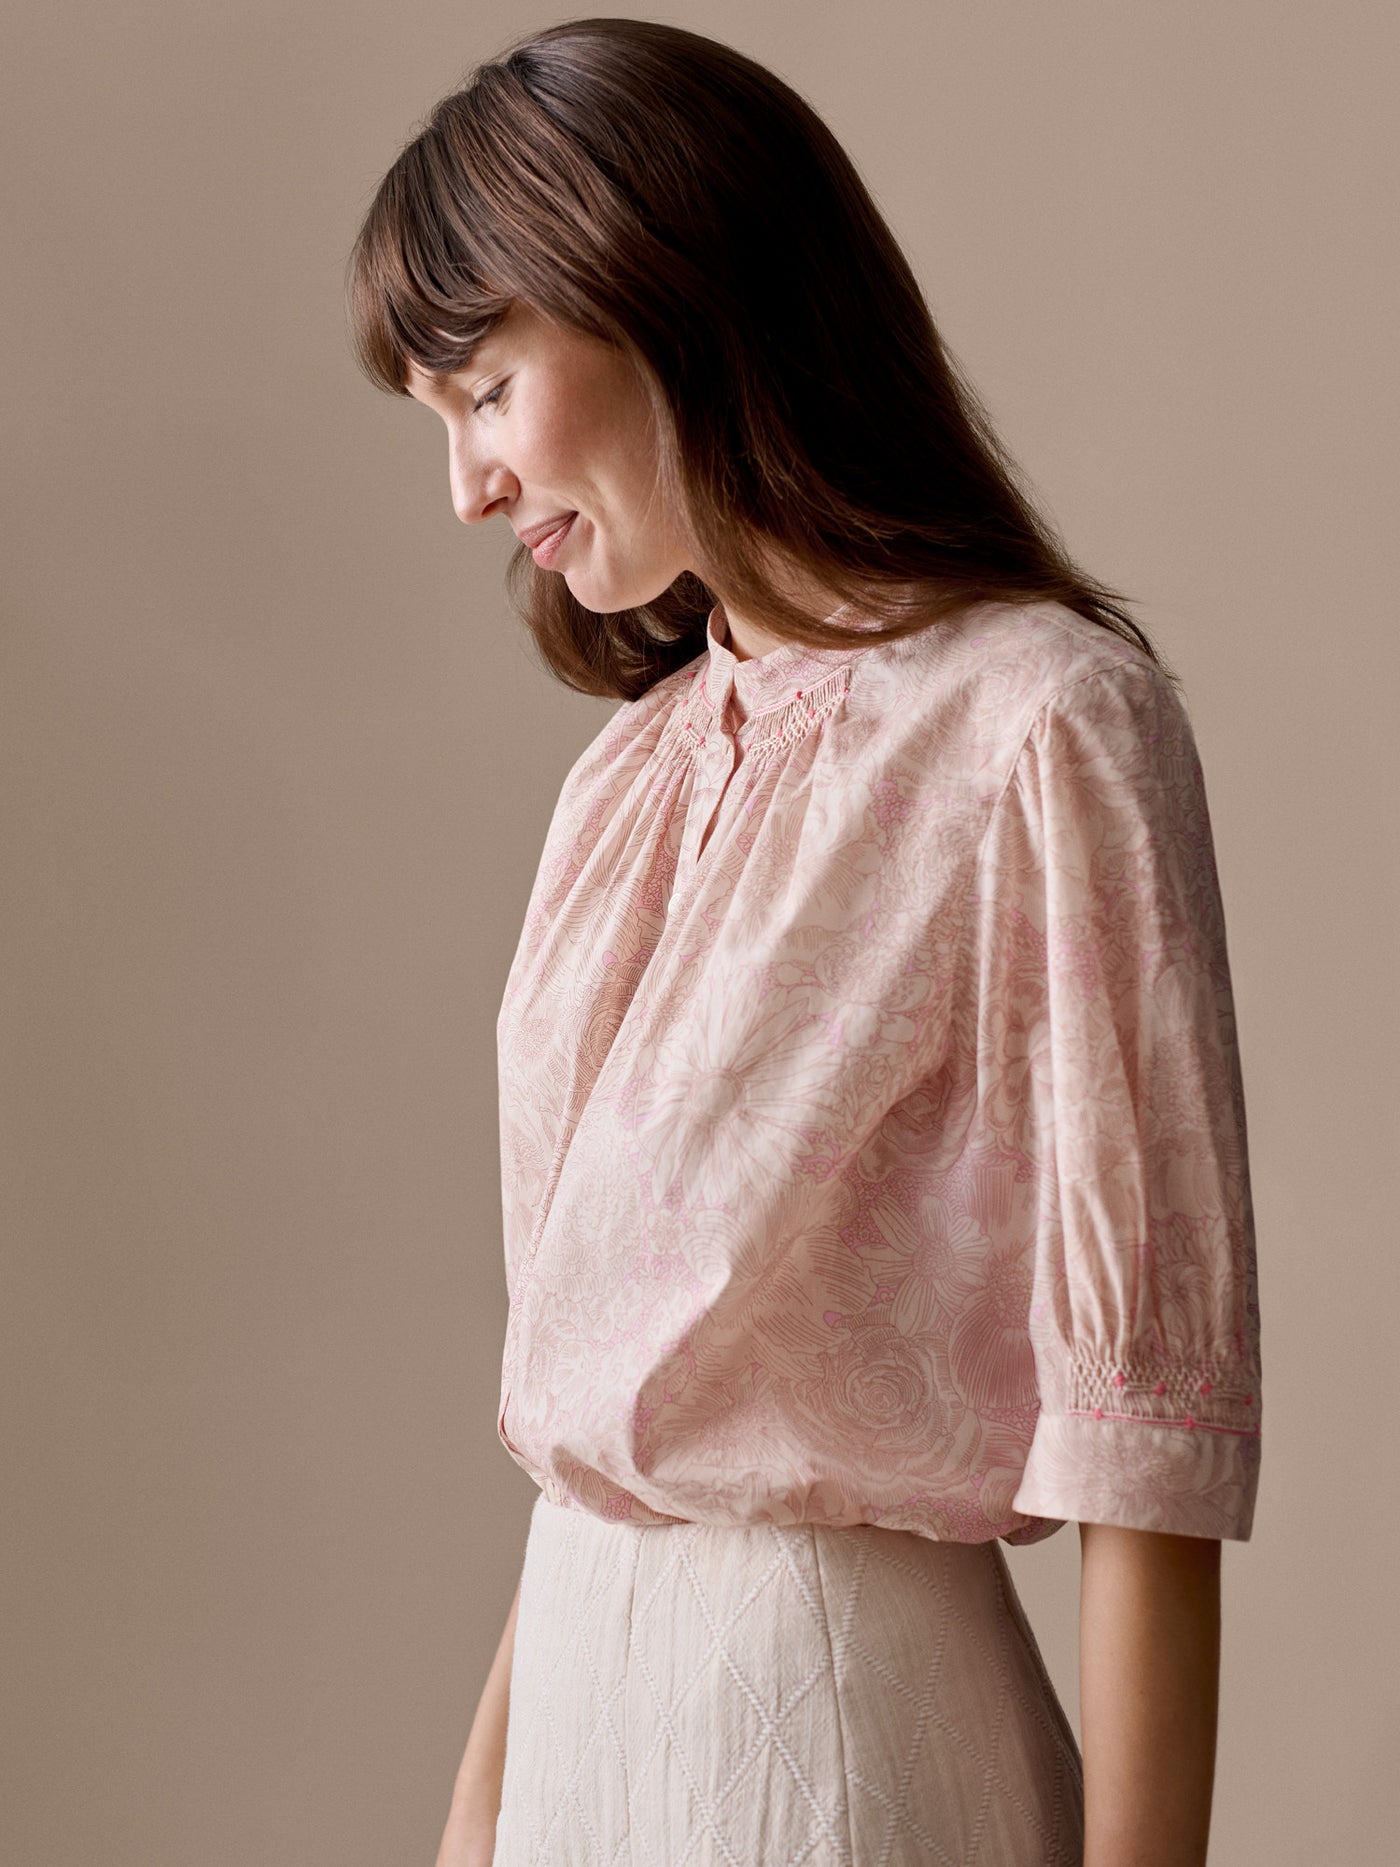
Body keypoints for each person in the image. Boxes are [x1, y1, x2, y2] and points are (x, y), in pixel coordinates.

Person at [346, 18, 1262, 1866]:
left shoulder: (1038, 724)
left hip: (834, 1760)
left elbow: (1143, 1435)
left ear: (666, 292)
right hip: (573, 1752)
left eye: (487, 390)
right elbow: (609, 1411)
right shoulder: (628, 781)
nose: (468, 488)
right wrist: (474, 1817)